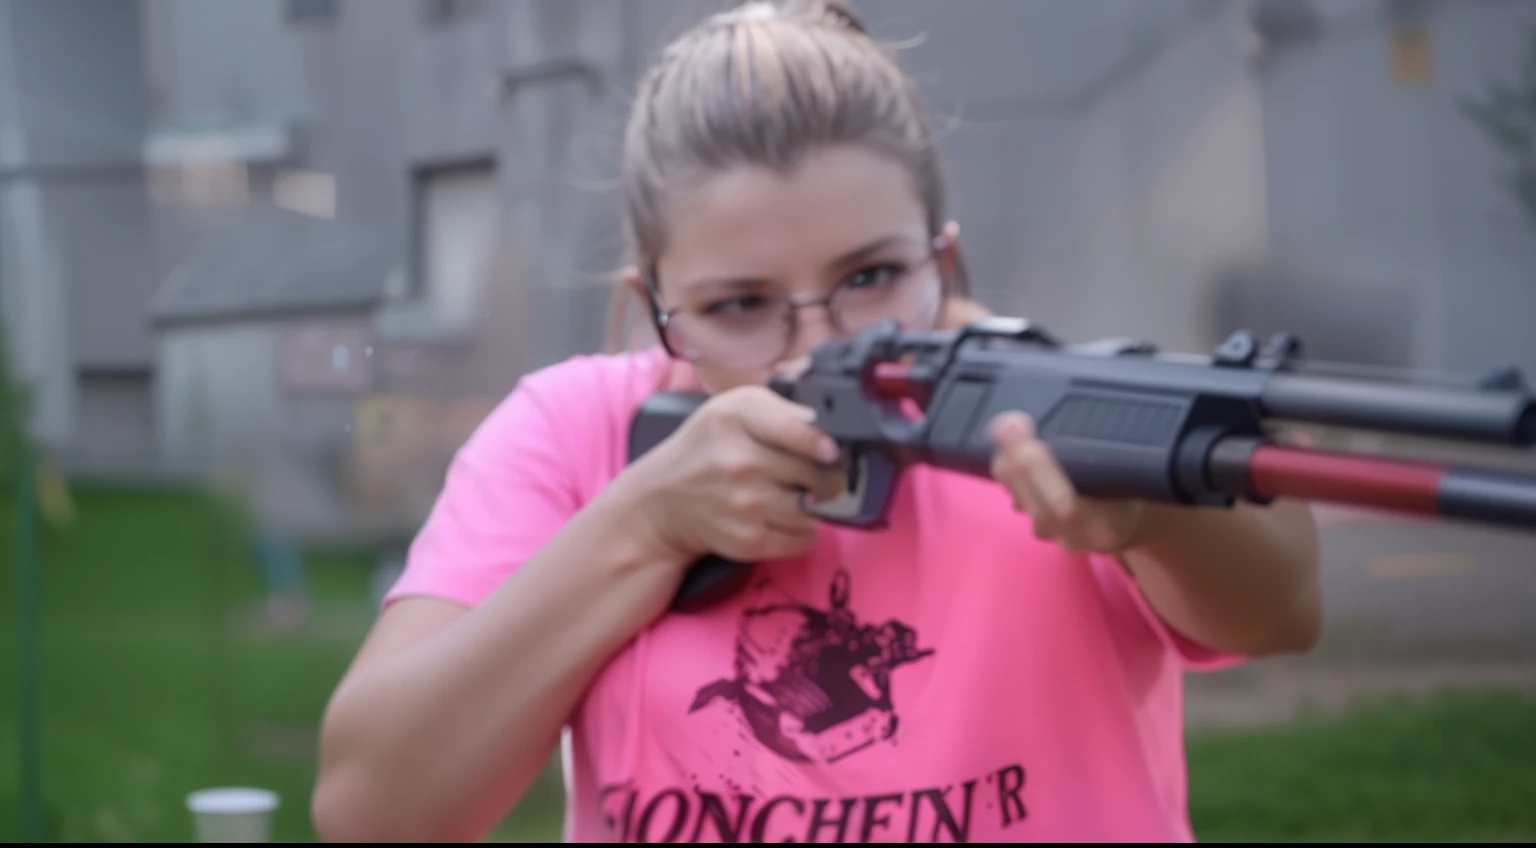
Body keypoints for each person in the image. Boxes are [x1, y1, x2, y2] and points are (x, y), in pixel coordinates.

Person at [311, 1, 1323, 842]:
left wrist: (1158, 518)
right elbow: (372, 807)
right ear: (653, 301)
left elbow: (1281, 609)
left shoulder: (1038, 398)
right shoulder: (573, 428)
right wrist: (642, 527)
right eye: (740, 304)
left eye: (872, 277)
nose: (812, 350)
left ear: (945, 259)